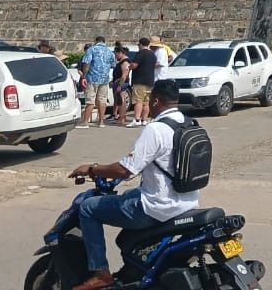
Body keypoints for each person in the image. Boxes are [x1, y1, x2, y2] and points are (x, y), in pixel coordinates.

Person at [67, 80, 200, 290]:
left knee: (88, 208)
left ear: (155, 101)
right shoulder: (189, 123)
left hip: (157, 207)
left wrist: (92, 168)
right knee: (130, 193)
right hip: (187, 203)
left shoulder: (156, 129)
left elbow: (125, 170)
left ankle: (100, 273)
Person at [78, 37, 114, 129]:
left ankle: (85, 122)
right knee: (102, 100)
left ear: (96, 41)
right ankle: (101, 121)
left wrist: (84, 77)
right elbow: (113, 64)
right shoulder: (110, 52)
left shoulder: (91, 50)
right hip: (104, 79)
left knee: (90, 100)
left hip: (92, 78)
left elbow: (86, 64)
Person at [129, 37, 157, 127]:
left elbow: (134, 65)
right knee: (146, 102)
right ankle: (144, 120)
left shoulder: (141, 53)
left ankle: (137, 119)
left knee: (138, 101)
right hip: (150, 80)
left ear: (141, 44)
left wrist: (129, 67)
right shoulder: (152, 54)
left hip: (140, 80)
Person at [111, 43, 133, 125]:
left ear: (120, 52)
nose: (115, 56)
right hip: (119, 82)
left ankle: (122, 117)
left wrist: (120, 85)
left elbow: (124, 75)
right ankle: (121, 117)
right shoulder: (123, 61)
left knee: (122, 100)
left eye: (116, 54)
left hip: (122, 83)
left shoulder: (125, 62)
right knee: (120, 100)